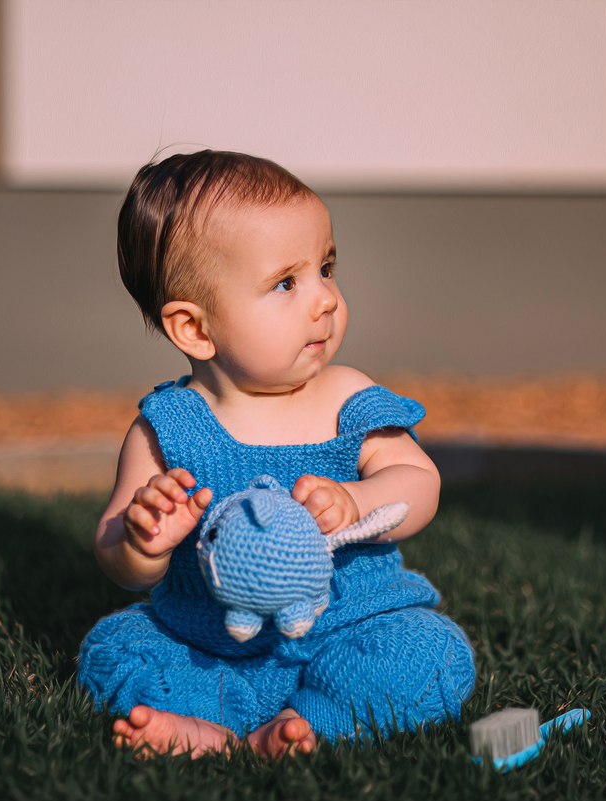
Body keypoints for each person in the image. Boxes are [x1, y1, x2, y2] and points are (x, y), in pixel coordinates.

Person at [78, 150, 475, 759]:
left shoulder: (346, 396)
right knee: (114, 650)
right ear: (196, 329)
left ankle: (311, 716)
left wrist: (358, 498)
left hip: (348, 632)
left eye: (327, 267)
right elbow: (115, 554)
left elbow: (420, 482)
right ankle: (221, 727)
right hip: (211, 647)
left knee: (433, 649)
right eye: (287, 283)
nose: (324, 299)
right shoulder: (169, 430)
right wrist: (141, 541)